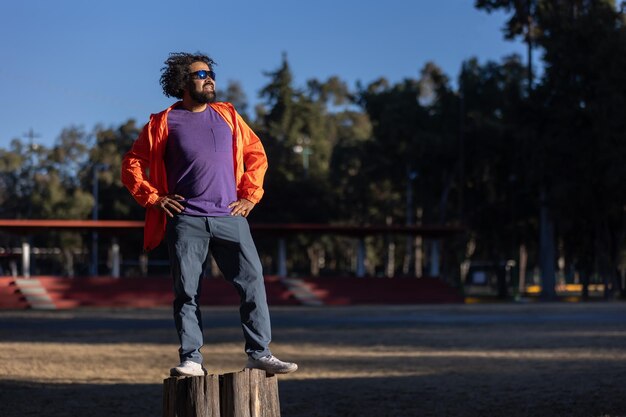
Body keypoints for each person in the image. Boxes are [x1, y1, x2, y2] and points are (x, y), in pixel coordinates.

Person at [121, 52, 297, 377]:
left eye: (210, 72)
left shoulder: (228, 115)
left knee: (253, 282)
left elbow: (256, 153)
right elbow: (132, 163)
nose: (209, 78)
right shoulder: (162, 123)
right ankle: (192, 359)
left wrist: (250, 196)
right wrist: (154, 197)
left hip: (231, 217)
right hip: (186, 220)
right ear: (182, 82)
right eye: (200, 74)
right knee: (187, 291)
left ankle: (259, 353)